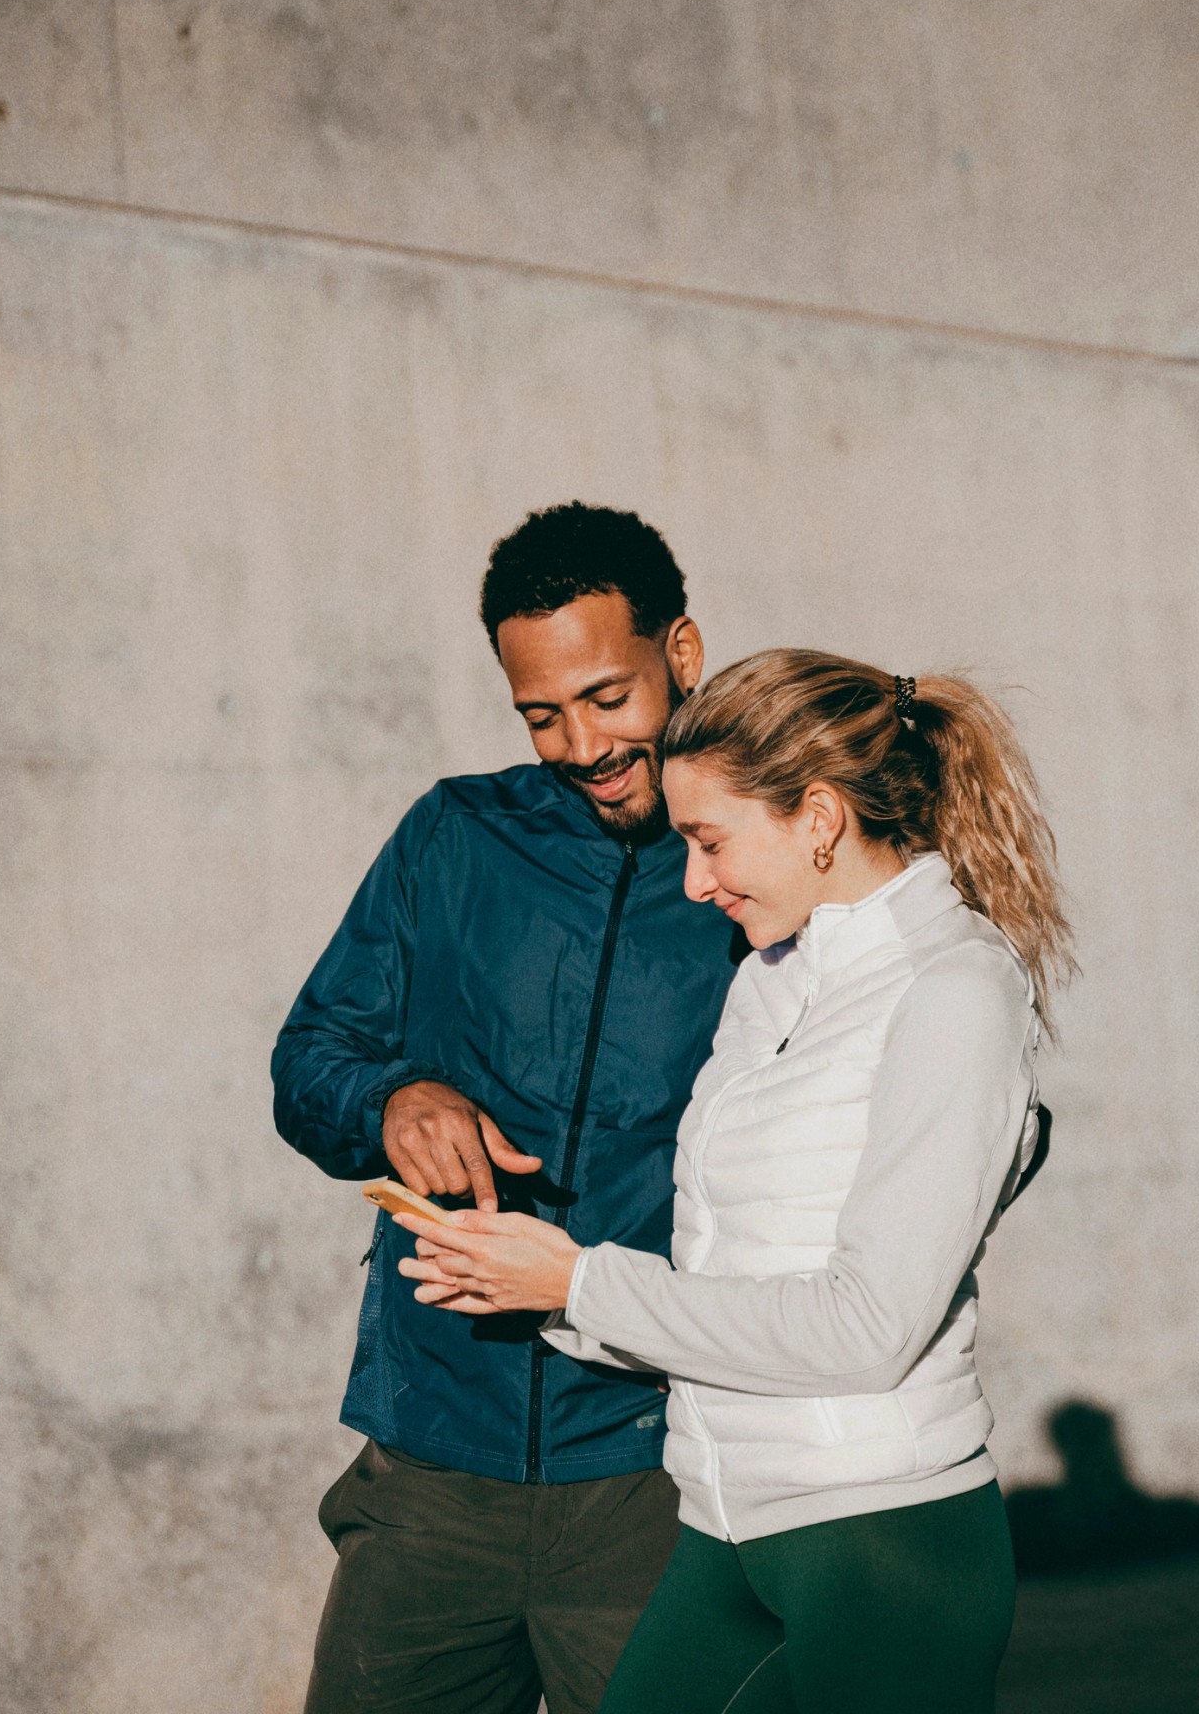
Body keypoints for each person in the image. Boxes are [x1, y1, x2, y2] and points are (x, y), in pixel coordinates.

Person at [398, 650, 1076, 1714]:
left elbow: (868, 1327)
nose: (694, 882)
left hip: (880, 1541)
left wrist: (580, 1286)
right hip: (724, 1521)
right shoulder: (769, 981)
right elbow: (735, 1267)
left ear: (817, 816)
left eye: (710, 842)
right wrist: (531, 1289)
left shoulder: (953, 990)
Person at [271, 503, 742, 1714]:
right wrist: (390, 1095)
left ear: (680, 654)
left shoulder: (760, 863)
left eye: (607, 697)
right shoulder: (452, 835)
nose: (581, 743)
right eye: (541, 713)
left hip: (658, 1465)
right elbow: (311, 1054)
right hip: (433, 1460)